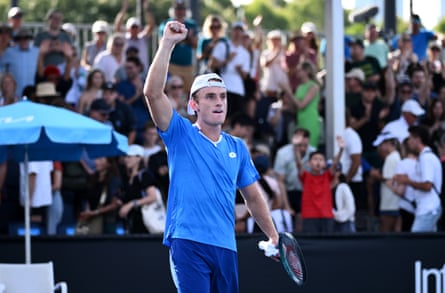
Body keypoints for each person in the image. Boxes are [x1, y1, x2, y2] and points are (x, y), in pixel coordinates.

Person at [143, 20, 279, 292]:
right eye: (210, 97)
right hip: (188, 241)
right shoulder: (180, 133)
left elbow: (253, 197)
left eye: (222, 97)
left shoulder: (238, 146)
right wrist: (167, 43)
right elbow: (152, 92)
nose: (218, 102)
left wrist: (273, 235)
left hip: (226, 246)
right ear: (193, 105)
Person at [394, 125, 442, 232]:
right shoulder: (425, 157)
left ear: (418, 139)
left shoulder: (426, 158)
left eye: (410, 138)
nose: (408, 142)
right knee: (426, 245)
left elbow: (427, 185)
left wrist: (406, 181)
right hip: (427, 208)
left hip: (427, 209)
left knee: (415, 242)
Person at [293, 133, 344, 234]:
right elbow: (299, 164)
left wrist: (341, 149)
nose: (318, 162)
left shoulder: (327, 176)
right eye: (315, 159)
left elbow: (334, 165)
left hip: (327, 216)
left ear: (324, 164)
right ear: (309, 163)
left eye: (321, 160)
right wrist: (295, 147)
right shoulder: (305, 176)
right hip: (309, 216)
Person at [118, 144, 159, 234]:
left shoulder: (144, 175)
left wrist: (131, 204)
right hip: (131, 222)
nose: (126, 159)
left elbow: (153, 196)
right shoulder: (127, 177)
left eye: (129, 157)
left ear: (139, 158)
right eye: (125, 156)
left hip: (144, 221)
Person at [370, 132, 402, 232]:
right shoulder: (397, 156)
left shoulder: (391, 158)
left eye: (381, 145)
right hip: (395, 203)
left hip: (389, 203)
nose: (379, 148)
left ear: (388, 144)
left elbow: (387, 179)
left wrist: (375, 175)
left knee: (385, 232)